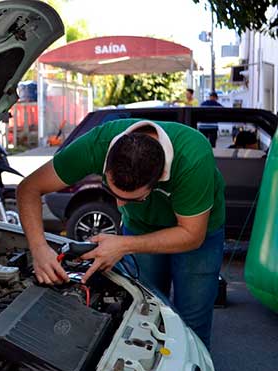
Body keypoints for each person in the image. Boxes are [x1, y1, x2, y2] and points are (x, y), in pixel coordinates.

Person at [17, 119, 225, 348]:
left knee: (192, 322)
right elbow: (29, 188)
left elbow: (191, 235)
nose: (118, 205)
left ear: (160, 177)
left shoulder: (193, 158)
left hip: (197, 233)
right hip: (140, 226)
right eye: (111, 191)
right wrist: (39, 249)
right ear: (106, 163)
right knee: (146, 311)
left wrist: (123, 245)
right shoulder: (96, 144)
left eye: (133, 199)